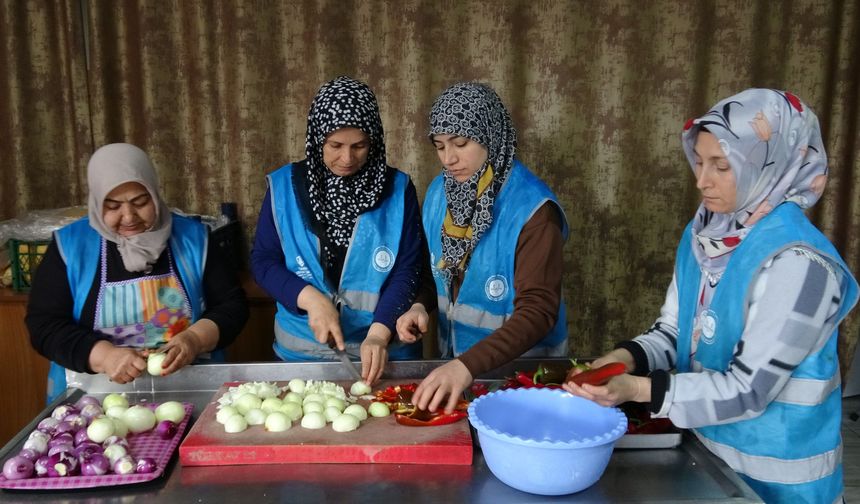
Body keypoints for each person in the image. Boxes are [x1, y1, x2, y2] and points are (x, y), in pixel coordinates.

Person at [564, 89, 858, 503]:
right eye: (699, 162)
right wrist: (624, 358)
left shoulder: (800, 264)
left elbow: (749, 389)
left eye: (721, 166)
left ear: (768, 164)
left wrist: (637, 389)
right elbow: (675, 330)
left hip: (781, 482)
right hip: (709, 460)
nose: (701, 180)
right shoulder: (706, 236)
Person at [26, 143, 249, 402]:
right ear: (96, 202)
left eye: (140, 202)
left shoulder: (194, 239)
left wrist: (194, 339)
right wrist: (105, 356)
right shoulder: (71, 247)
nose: (129, 217)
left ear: (155, 194)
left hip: (190, 387)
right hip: (96, 396)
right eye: (112, 206)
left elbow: (232, 305)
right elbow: (45, 325)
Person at [396, 82, 569, 414]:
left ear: (490, 135)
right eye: (439, 146)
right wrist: (419, 305)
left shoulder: (533, 211)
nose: (449, 158)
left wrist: (466, 365)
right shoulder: (439, 193)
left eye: (461, 143)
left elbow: (538, 312)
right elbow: (436, 272)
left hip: (523, 380)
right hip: (458, 376)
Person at [251, 76, 423, 384]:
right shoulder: (283, 187)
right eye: (335, 146)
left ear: (374, 140)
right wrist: (310, 299)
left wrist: (379, 332)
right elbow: (264, 261)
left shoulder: (399, 189)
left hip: (385, 352)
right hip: (301, 356)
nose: (347, 158)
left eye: (359, 146)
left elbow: (408, 268)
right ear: (318, 138)